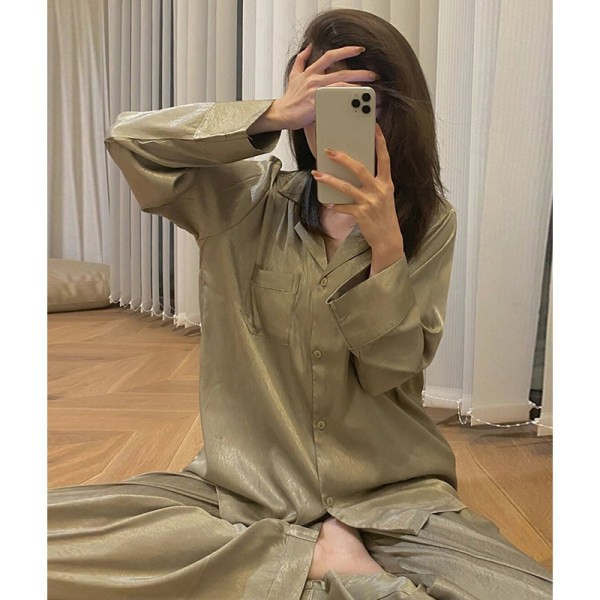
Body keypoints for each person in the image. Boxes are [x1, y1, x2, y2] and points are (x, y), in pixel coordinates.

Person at [48, 8, 553, 600]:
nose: (335, 123)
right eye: (320, 102)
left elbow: (391, 370)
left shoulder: (428, 220)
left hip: (392, 497)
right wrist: (271, 114)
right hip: (249, 493)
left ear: (397, 111)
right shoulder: (247, 200)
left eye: (360, 104)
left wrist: (387, 250)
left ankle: (307, 574)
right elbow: (130, 141)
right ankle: (312, 561)